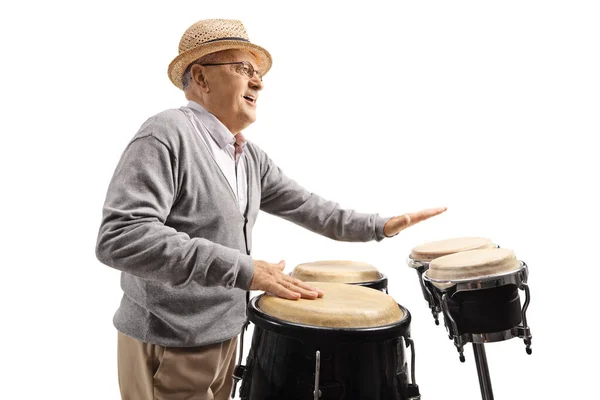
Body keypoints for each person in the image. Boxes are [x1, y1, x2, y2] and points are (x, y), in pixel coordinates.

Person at [95, 18, 446, 400]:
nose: (258, 82)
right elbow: (121, 238)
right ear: (201, 76)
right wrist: (244, 269)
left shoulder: (247, 157)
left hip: (226, 335)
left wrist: (380, 226)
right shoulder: (166, 133)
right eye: (243, 69)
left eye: (258, 73)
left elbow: (312, 208)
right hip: (169, 339)